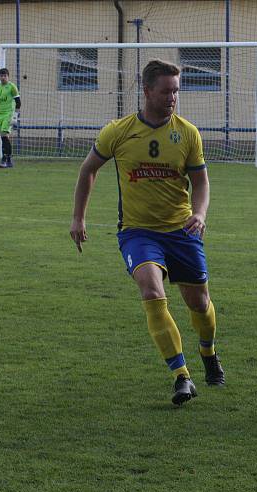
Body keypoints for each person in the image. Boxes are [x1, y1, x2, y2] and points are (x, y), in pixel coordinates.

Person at [69, 59, 224, 406]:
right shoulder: (118, 131)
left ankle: (209, 352)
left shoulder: (188, 133)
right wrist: (78, 217)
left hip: (182, 231)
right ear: (147, 91)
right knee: (152, 292)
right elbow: (88, 170)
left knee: (198, 303)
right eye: (167, 91)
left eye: (176, 91)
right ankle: (181, 376)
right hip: (138, 233)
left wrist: (199, 213)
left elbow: (201, 182)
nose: (173, 97)